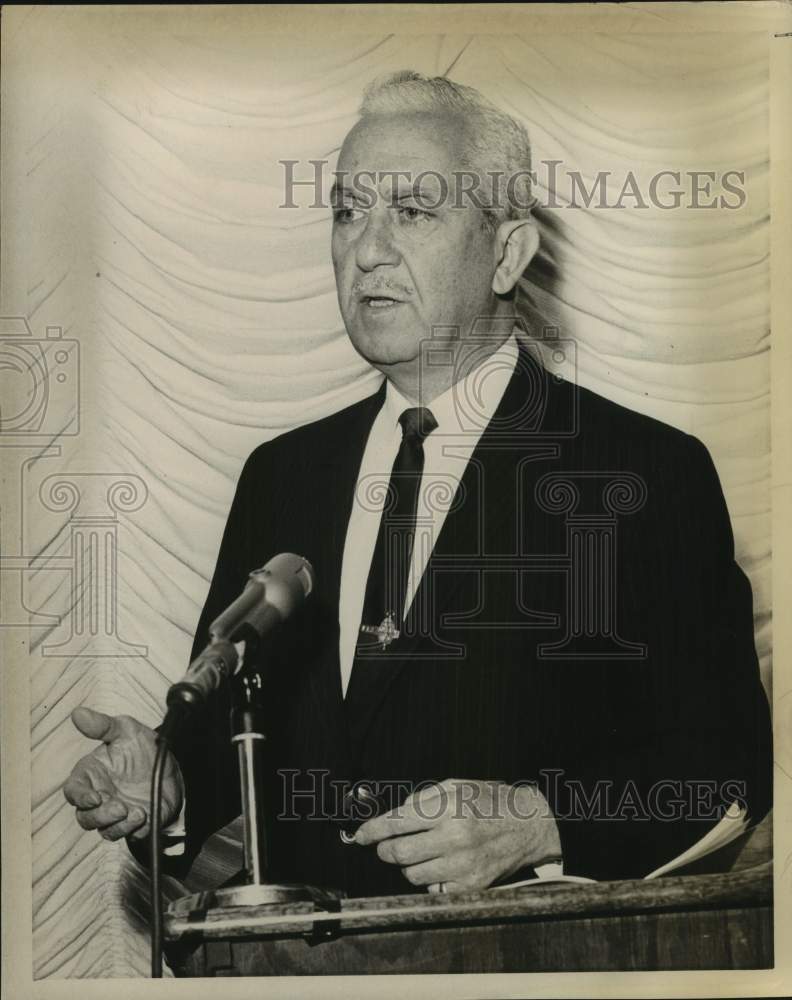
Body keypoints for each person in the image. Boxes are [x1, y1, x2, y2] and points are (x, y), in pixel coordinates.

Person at [63, 71, 771, 899]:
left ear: (507, 253)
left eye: (412, 210)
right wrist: (168, 787)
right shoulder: (282, 477)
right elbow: (243, 760)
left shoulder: (648, 472)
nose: (367, 248)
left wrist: (541, 822)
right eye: (347, 210)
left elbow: (725, 768)